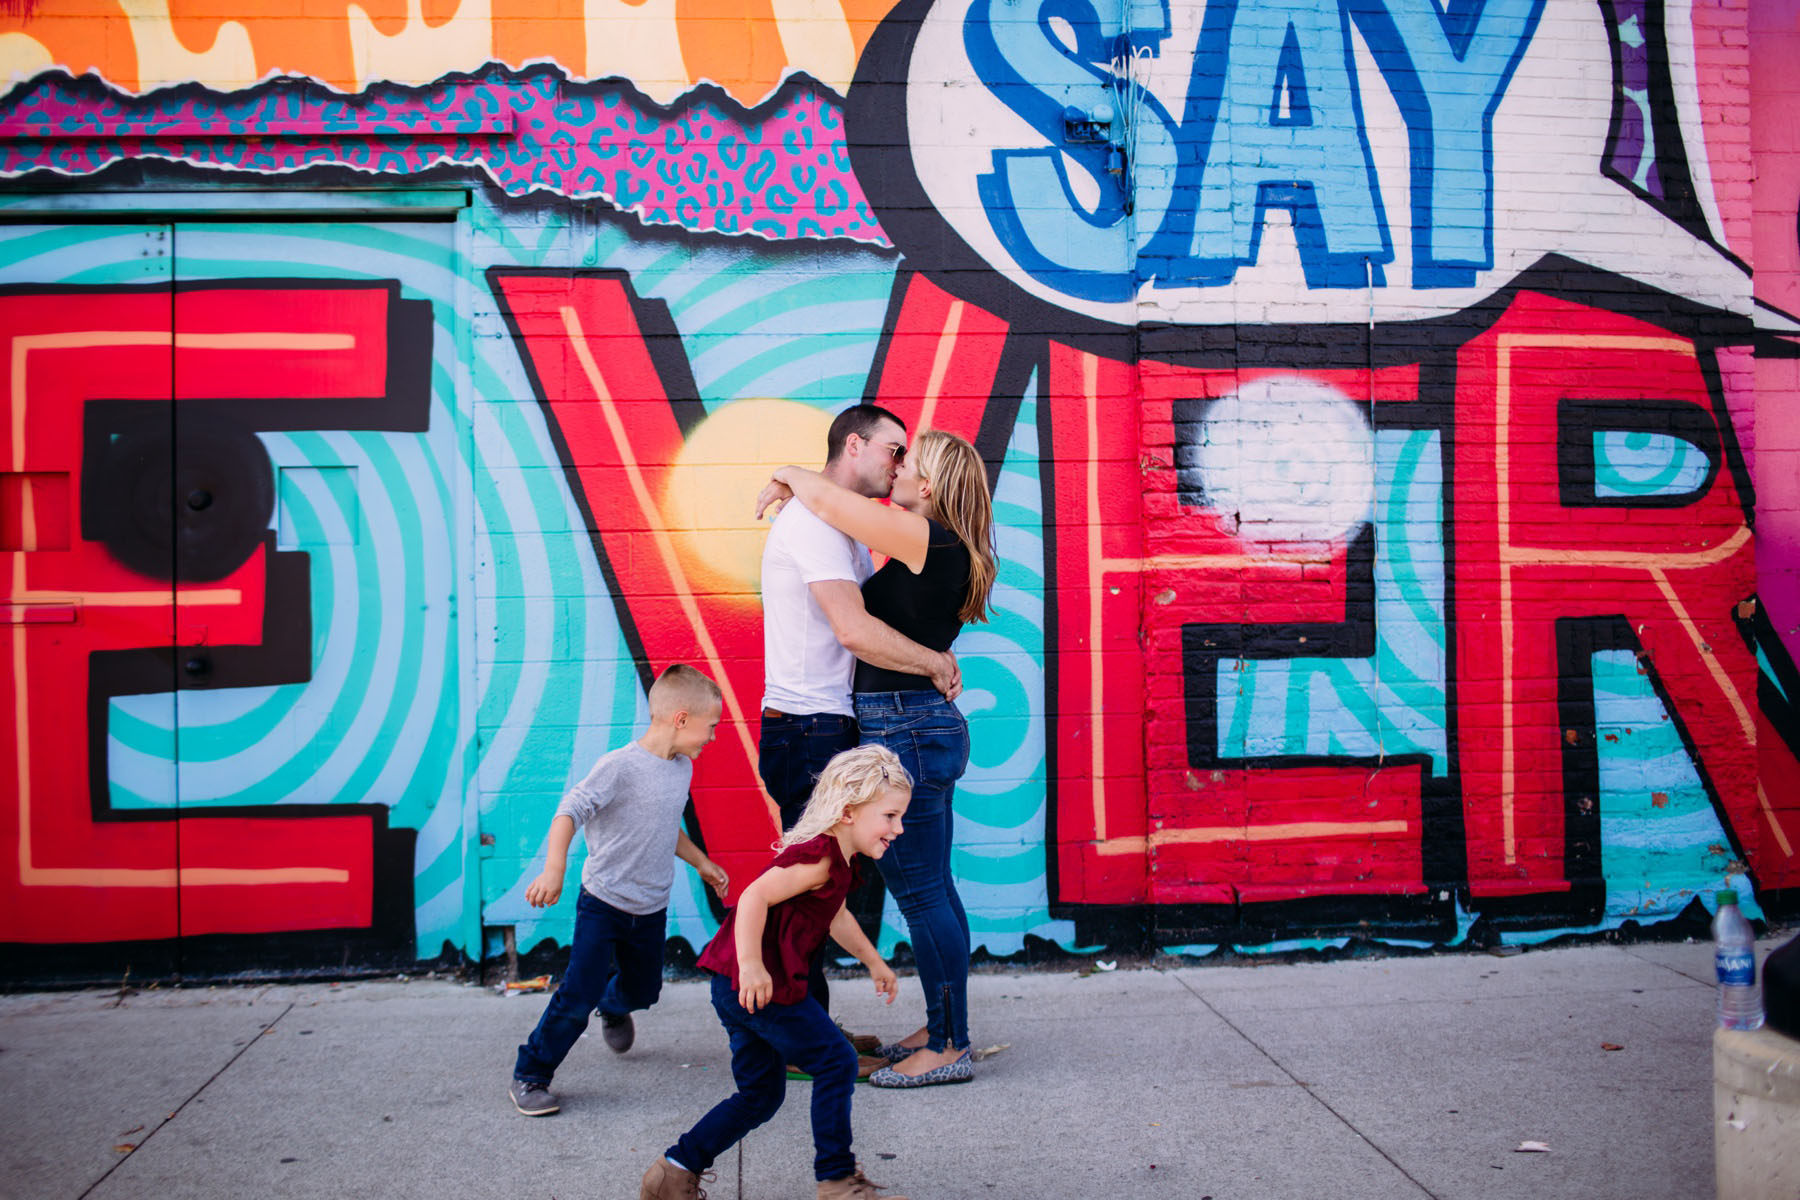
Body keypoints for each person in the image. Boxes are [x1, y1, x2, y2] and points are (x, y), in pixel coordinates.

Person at [757, 428, 996, 1089]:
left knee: (921, 894)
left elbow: (832, 505)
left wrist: (786, 467)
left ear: (929, 486)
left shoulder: (930, 538)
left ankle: (948, 1046)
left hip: (907, 729)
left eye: (907, 462)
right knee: (935, 890)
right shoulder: (937, 546)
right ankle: (943, 1026)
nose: (896, 469)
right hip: (917, 726)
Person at [642, 745, 915, 1200]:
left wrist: (873, 960)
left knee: (761, 1096)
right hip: (755, 985)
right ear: (849, 812)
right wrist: (751, 966)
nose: (898, 828)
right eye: (889, 816)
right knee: (837, 1060)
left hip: (739, 985)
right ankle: (836, 1180)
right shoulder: (818, 857)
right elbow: (752, 898)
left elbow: (836, 915)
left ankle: (673, 1171)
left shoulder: (838, 860)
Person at [509, 664, 730, 1117]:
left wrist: (702, 861)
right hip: (603, 904)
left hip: (650, 909)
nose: (713, 737)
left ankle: (613, 1006)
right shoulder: (619, 766)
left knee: (644, 991)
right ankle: (531, 1073)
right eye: (711, 726)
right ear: (681, 718)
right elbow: (569, 811)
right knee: (577, 993)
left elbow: (667, 827)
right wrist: (554, 870)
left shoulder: (681, 768)